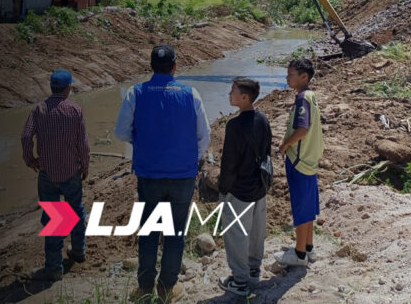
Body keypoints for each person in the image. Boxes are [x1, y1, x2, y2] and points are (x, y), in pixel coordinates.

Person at [115, 44, 210, 303]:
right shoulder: (191, 94)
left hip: (149, 175)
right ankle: (167, 288)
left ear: (150, 67)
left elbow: (121, 132)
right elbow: (204, 137)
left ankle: (145, 287)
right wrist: (192, 159)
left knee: (149, 231)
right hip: (182, 175)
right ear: (175, 67)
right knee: (175, 233)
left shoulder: (135, 93)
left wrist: (144, 142)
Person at [21, 69, 90, 281]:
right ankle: (78, 251)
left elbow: (26, 136)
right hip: (71, 172)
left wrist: (30, 160)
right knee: (76, 211)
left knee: (54, 218)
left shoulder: (39, 109)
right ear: (68, 88)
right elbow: (83, 144)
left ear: (51, 87)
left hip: (47, 173)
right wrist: (85, 166)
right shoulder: (74, 110)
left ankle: (53, 266)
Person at [217, 77, 272, 297]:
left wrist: (223, 188)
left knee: (236, 235)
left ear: (245, 97)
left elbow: (229, 162)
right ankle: (253, 269)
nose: (230, 94)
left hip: (239, 190)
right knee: (256, 232)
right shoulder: (263, 119)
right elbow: (266, 151)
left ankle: (240, 282)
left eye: (233, 90)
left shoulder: (235, 125)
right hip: (259, 185)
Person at [276, 57, 324, 267]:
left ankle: (299, 254)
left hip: (299, 161)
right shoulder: (310, 96)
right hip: (310, 160)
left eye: (291, 74)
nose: (287, 78)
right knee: (309, 207)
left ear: (304, 77)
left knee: (301, 208)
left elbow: (302, 129)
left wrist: (284, 145)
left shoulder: (302, 99)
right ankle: (309, 248)